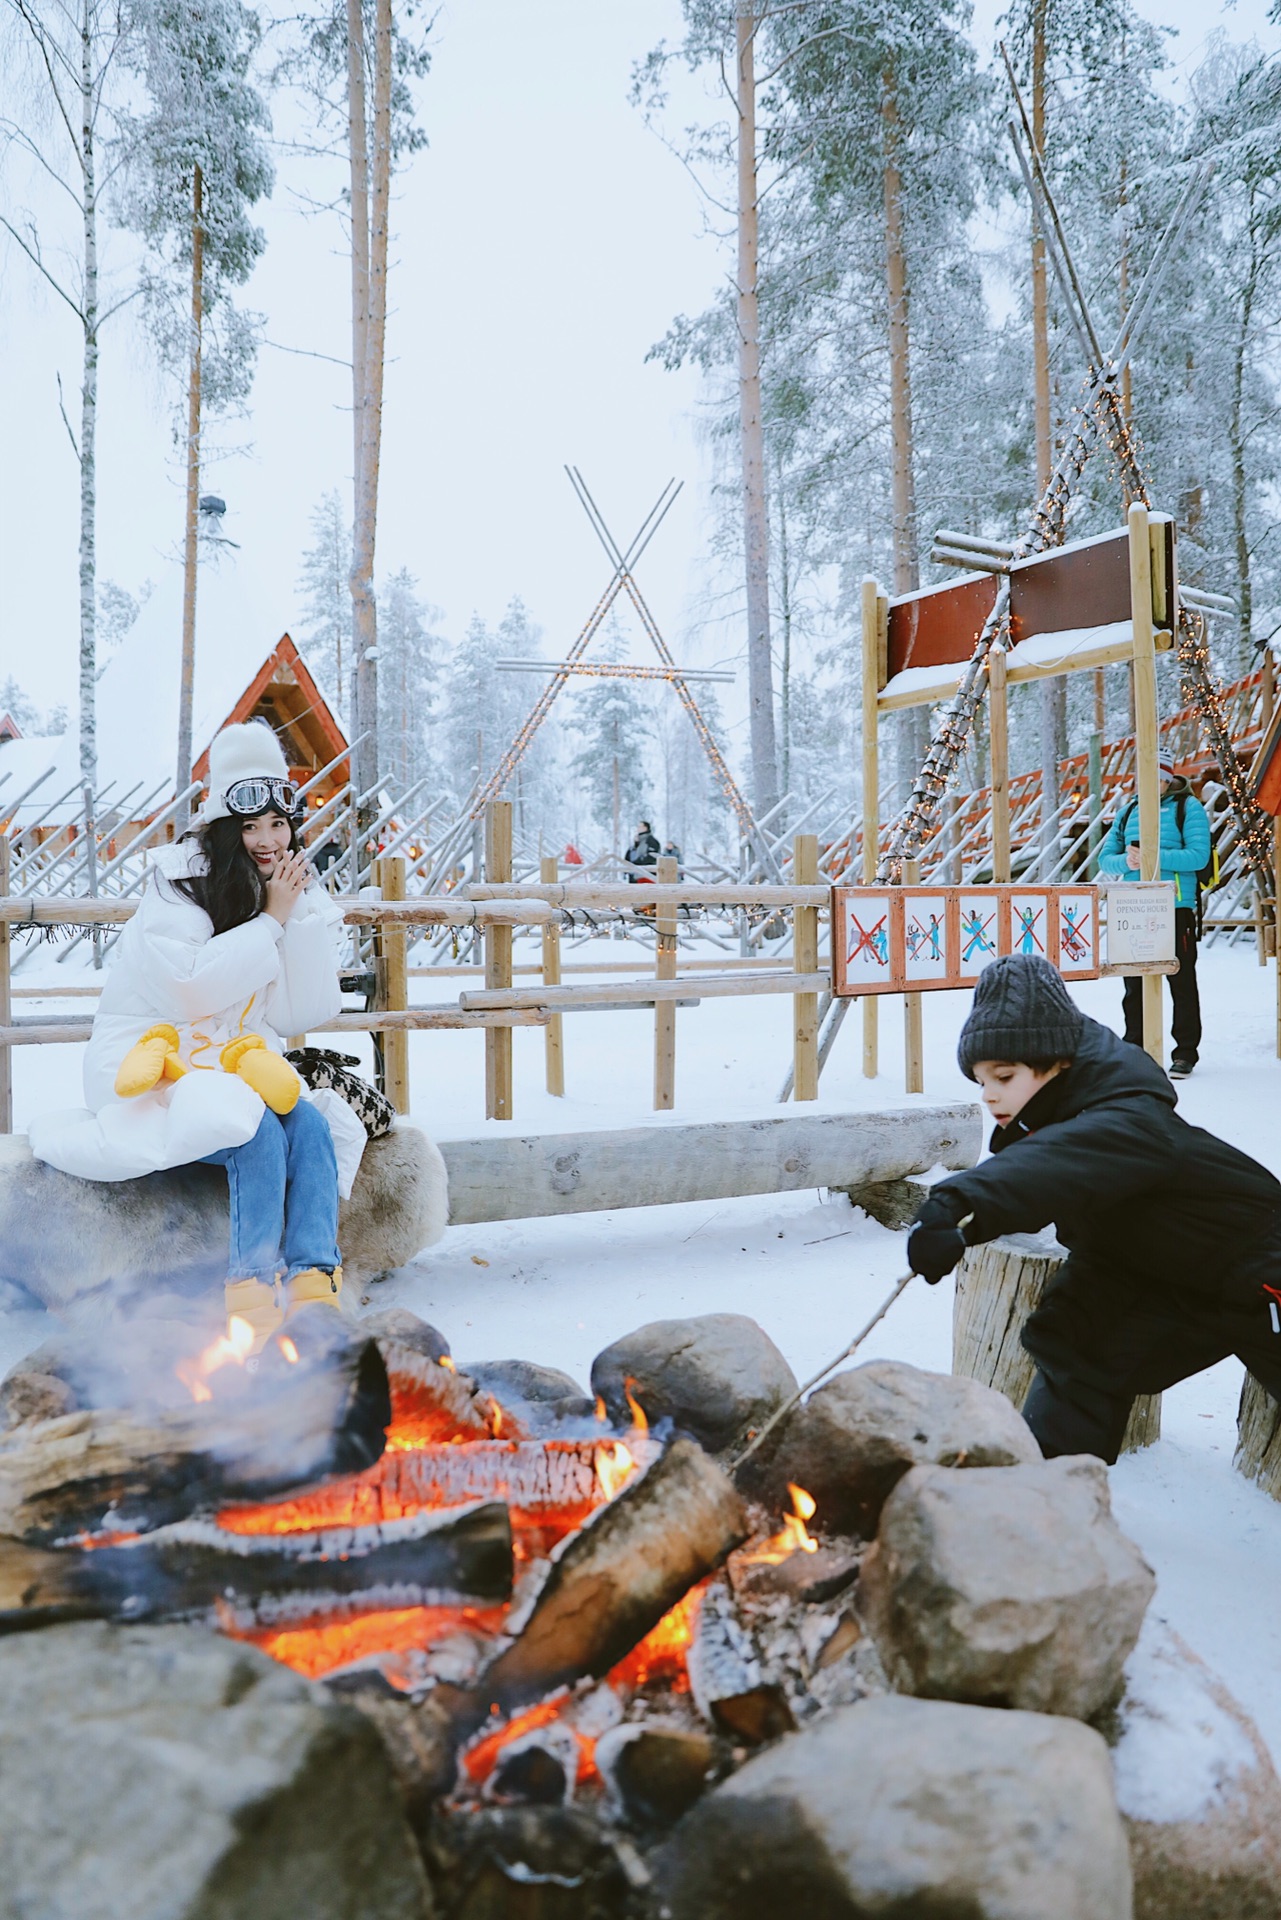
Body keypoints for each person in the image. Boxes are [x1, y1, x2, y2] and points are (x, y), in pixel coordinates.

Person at [30, 721, 366, 1351]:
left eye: (278, 823)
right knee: (254, 1130)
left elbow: (299, 1012)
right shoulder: (177, 884)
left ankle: (315, 1283)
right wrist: (270, 922)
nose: (268, 840)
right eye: (250, 826)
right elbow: (190, 989)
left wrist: (301, 923)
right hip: (154, 1064)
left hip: (230, 1063)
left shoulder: (277, 888)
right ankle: (250, 1290)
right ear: (223, 826)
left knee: (314, 1127)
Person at [905, 954, 1281, 1465]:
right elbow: (1047, 1178)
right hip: (1157, 1273)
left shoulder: (1130, 1116)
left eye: (1005, 1075)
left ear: (1057, 1061)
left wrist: (961, 1199)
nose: (990, 1095)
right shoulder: (1056, 1126)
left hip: (1262, 1273)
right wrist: (958, 1224)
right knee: (1074, 1341)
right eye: (981, 1081)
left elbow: (1062, 1160)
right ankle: (1053, 1499)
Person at [1096, 749, 1210, 1078]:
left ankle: (1185, 1051)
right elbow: (1106, 860)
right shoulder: (1128, 810)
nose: (1151, 785)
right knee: (1134, 982)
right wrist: (1128, 862)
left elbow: (1198, 856)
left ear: (1168, 778)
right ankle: (1135, 1046)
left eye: (1158, 779)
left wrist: (1153, 856)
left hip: (1175, 905)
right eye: (1145, 779)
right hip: (1134, 905)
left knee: (1182, 981)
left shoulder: (1188, 808)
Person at [625, 818, 660, 882]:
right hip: (635, 875)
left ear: (645, 828)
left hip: (647, 875)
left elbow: (652, 856)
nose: (638, 828)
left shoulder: (651, 841)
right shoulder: (638, 841)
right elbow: (630, 855)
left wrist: (637, 862)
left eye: (640, 826)